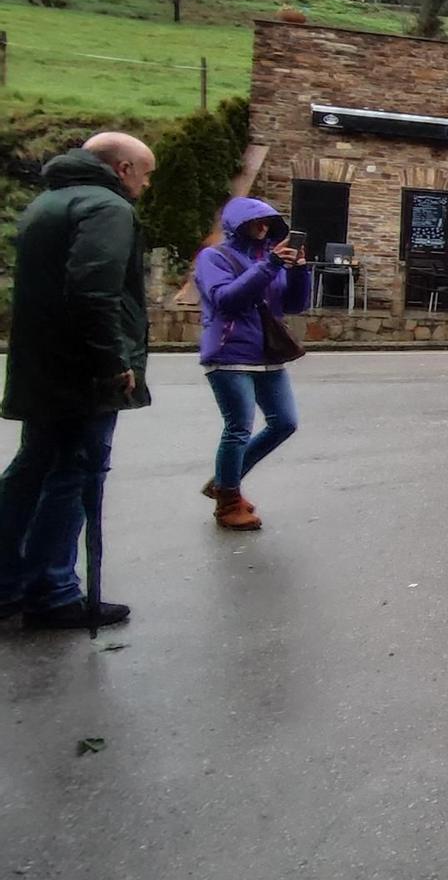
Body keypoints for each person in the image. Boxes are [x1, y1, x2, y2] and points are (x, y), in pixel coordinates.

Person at [0, 133, 155, 630]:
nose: (147, 185)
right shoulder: (107, 208)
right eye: (146, 174)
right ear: (124, 168)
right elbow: (93, 290)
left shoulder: (46, 202)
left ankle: (10, 583)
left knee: (32, 471)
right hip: (82, 371)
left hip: (42, 365)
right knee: (74, 476)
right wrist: (113, 361)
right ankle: (53, 590)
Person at [193, 197, 314, 531]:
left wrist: (300, 270)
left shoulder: (267, 258)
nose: (264, 229)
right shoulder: (214, 257)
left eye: (269, 224)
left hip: (268, 353)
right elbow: (225, 299)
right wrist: (271, 266)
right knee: (238, 428)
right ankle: (228, 503)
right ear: (239, 224)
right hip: (229, 352)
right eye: (257, 223)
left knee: (285, 422)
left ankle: (223, 481)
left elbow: (294, 304)